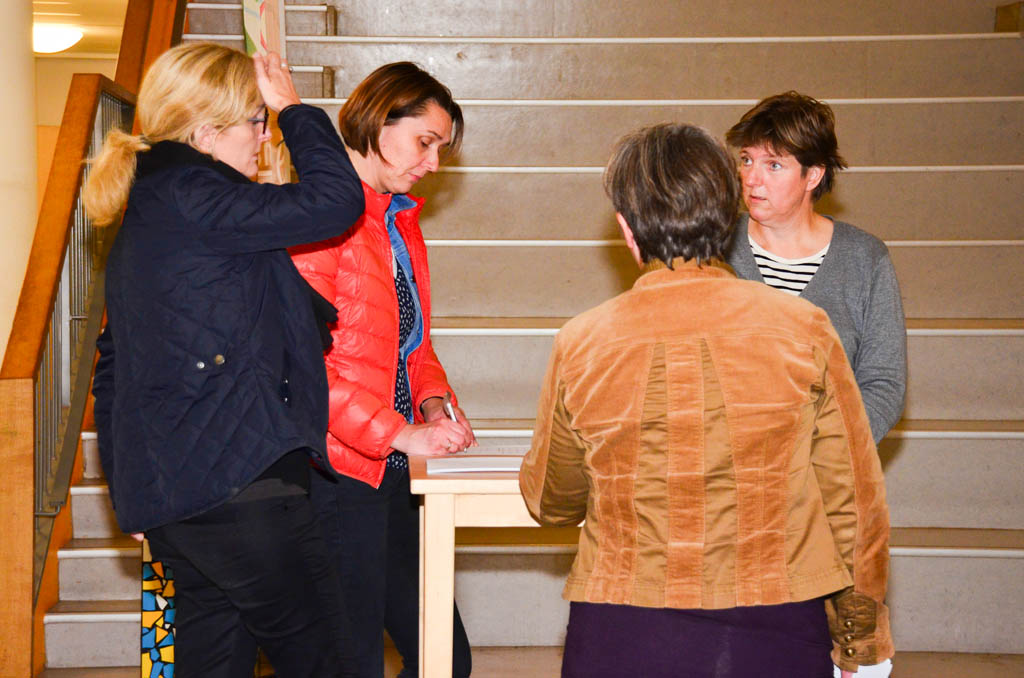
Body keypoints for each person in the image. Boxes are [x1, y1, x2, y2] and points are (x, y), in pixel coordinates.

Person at [519, 123, 894, 678]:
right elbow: (853, 501)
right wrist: (860, 636)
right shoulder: (805, 328)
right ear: (727, 217)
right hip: (776, 615)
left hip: (622, 619)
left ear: (626, 228)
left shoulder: (582, 341)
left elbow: (553, 501)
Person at [85, 42, 366, 678]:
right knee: (326, 661)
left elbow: (115, 366)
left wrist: (134, 490)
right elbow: (336, 201)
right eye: (256, 122)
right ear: (208, 133)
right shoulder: (194, 194)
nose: (264, 139)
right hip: (243, 487)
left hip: (186, 498)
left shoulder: (155, 210)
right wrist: (294, 108)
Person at [289, 62, 474, 678]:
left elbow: (411, 347)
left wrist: (433, 404)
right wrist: (400, 432)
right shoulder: (320, 220)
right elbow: (302, 367)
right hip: (336, 473)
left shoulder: (398, 223)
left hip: (395, 471)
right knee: (353, 661)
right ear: (377, 120)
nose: (433, 163)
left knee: (445, 660)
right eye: (425, 142)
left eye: (440, 149)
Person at [725, 91, 906, 443]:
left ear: (813, 176)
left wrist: (821, 451)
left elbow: (884, 384)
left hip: (828, 466)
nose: (752, 178)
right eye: (746, 160)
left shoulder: (865, 259)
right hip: (729, 465)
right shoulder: (715, 248)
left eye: (773, 165)